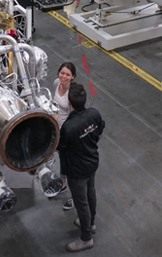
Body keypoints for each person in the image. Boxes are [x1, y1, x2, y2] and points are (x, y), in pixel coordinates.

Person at [59, 84, 105, 252]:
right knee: (90, 193)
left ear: (70, 102)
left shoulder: (69, 127)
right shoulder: (94, 114)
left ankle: (86, 238)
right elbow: (100, 130)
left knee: (82, 203)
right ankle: (90, 223)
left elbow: (60, 146)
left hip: (77, 170)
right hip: (92, 162)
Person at [52, 63, 76, 208]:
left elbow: (74, 116)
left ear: (73, 77)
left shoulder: (72, 93)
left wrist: (64, 131)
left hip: (67, 133)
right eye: (62, 73)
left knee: (71, 164)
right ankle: (63, 183)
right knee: (62, 158)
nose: (64, 77)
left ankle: (75, 197)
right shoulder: (56, 83)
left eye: (67, 74)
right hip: (57, 129)